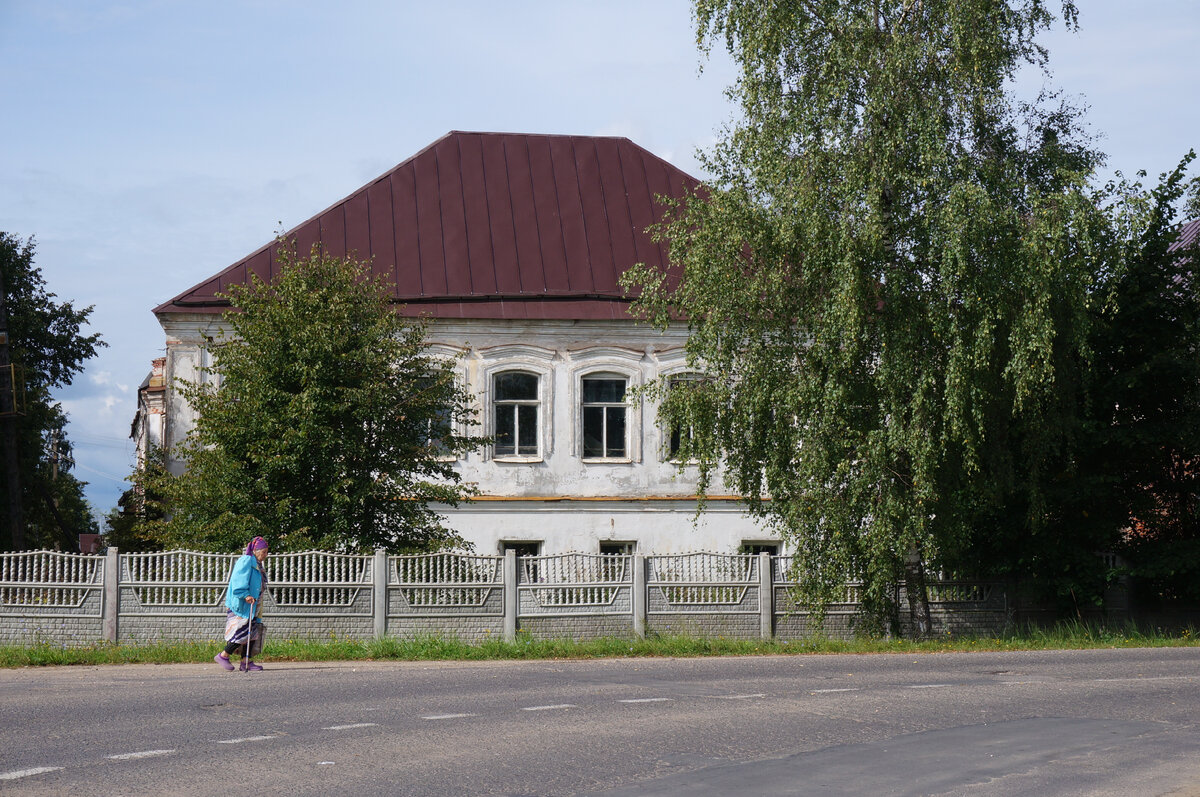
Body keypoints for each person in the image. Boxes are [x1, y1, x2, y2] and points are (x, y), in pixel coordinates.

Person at [215, 536, 269, 672]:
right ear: (256, 551)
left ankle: (247, 661)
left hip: (253, 605)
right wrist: (245, 595)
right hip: (242, 604)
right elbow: (238, 580)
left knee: (252, 634)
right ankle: (223, 655)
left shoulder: (256, 562)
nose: (266, 555)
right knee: (241, 632)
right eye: (264, 552)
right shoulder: (246, 560)